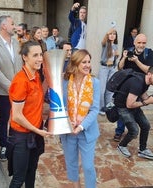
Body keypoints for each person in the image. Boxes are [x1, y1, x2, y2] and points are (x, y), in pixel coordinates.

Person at [7, 40, 51, 188]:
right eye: (35, 55)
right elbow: (17, 116)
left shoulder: (36, 75)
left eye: (41, 55)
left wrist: (51, 78)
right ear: (25, 57)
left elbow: (39, 98)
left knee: (31, 171)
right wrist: (37, 130)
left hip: (34, 132)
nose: (40, 58)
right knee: (19, 178)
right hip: (22, 136)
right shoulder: (20, 81)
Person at [60, 49, 100, 188]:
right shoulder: (64, 81)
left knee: (88, 166)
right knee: (71, 163)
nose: (87, 65)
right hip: (68, 131)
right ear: (75, 63)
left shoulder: (95, 82)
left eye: (89, 62)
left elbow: (95, 109)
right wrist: (66, 122)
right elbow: (60, 105)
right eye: (84, 62)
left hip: (86, 131)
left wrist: (81, 126)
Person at [0, 15, 23, 161]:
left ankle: (14, 142)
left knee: (17, 116)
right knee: (5, 117)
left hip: (19, 88)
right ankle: (4, 145)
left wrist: (20, 85)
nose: (14, 26)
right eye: (12, 23)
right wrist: (11, 87)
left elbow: (21, 64)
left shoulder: (16, 43)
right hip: (4, 90)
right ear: (3, 26)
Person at [114, 33, 153, 141]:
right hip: (125, 87)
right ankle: (119, 131)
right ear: (134, 43)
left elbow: (149, 70)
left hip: (139, 87)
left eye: (144, 43)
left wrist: (137, 61)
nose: (141, 45)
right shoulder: (129, 51)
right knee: (123, 108)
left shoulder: (149, 53)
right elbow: (119, 68)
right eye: (139, 42)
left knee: (133, 107)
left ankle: (132, 129)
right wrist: (124, 57)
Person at [115, 65, 153, 160]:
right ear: (149, 74)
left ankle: (143, 150)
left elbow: (142, 94)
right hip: (123, 107)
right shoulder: (137, 83)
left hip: (132, 104)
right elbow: (129, 104)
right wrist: (147, 102)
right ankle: (121, 146)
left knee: (146, 125)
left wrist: (152, 99)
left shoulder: (145, 81)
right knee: (134, 131)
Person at [98, 28, 119, 115]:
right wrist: (109, 30)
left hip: (112, 68)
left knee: (110, 89)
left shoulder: (115, 45)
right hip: (104, 68)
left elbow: (114, 58)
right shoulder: (106, 43)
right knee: (102, 89)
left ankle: (108, 107)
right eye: (110, 34)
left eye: (114, 34)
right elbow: (103, 41)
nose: (112, 35)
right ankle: (101, 107)